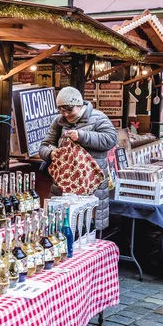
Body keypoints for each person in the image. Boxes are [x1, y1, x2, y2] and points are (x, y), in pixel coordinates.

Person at [39, 86, 117, 232]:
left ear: (79, 105)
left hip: (91, 183)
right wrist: (50, 153)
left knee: (88, 227)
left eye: (69, 109)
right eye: (61, 110)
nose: (66, 113)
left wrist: (82, 136)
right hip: (63, 184)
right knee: (60, 225)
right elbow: (45, 145)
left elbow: (111, 139)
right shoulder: (58, 121)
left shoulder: (98, 118)